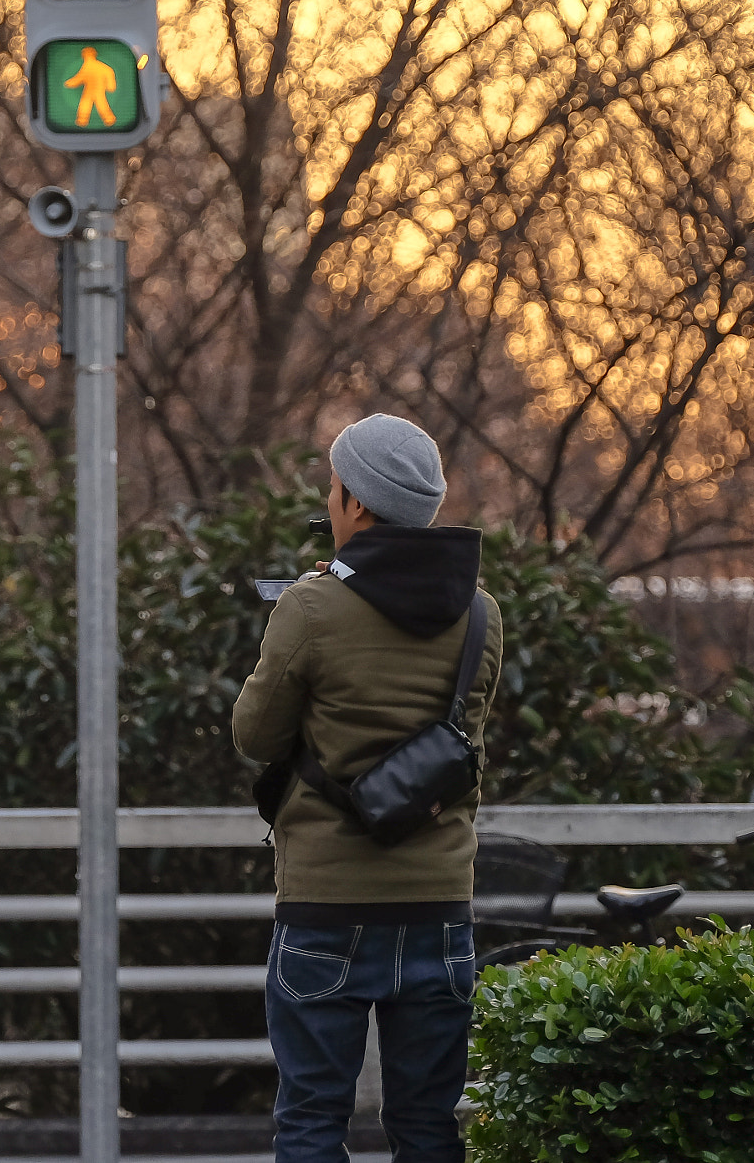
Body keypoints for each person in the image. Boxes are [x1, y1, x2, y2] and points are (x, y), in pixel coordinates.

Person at [233, 413, 503, 1163]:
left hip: (327, 902)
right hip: (440, 904)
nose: (327, 500)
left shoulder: (311, 606)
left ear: (355, 501)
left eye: (332, 486)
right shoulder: (481, 613)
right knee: (427, 1123)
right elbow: (464, 748)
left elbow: (253, 737)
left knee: (314, 1119)